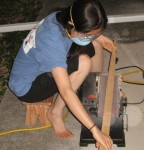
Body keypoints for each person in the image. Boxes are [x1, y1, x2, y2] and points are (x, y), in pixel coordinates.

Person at [8, 0, 116, 149]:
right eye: (89, 34)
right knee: (84, 63)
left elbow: (87, 36)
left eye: (96, 33)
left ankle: (93, 91)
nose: (91, 37)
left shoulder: (61, 17)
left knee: (95, 45)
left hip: (42, 63)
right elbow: (65, 91)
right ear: (72, 23)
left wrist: (99, 37)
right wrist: (95, 130)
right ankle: (55, 113)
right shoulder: (52, 41)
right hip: (27, 86)